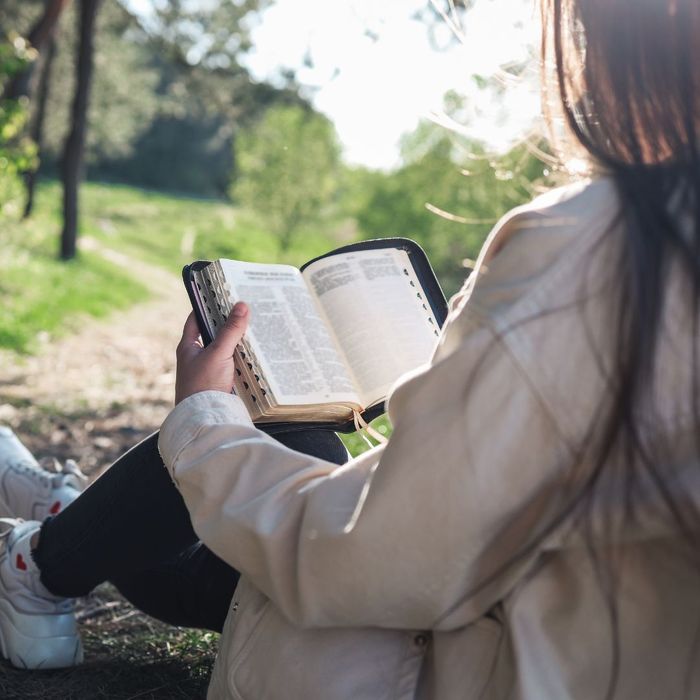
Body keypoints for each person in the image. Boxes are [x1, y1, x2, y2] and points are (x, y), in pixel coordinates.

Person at [2, 0, 700, 696]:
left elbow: (381, 557)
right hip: (555, 626)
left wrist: (205, 418)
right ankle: (70, 516)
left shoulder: (597, 248)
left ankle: (41, 560)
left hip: (454, 650)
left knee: (270, 436)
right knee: (299, 440)